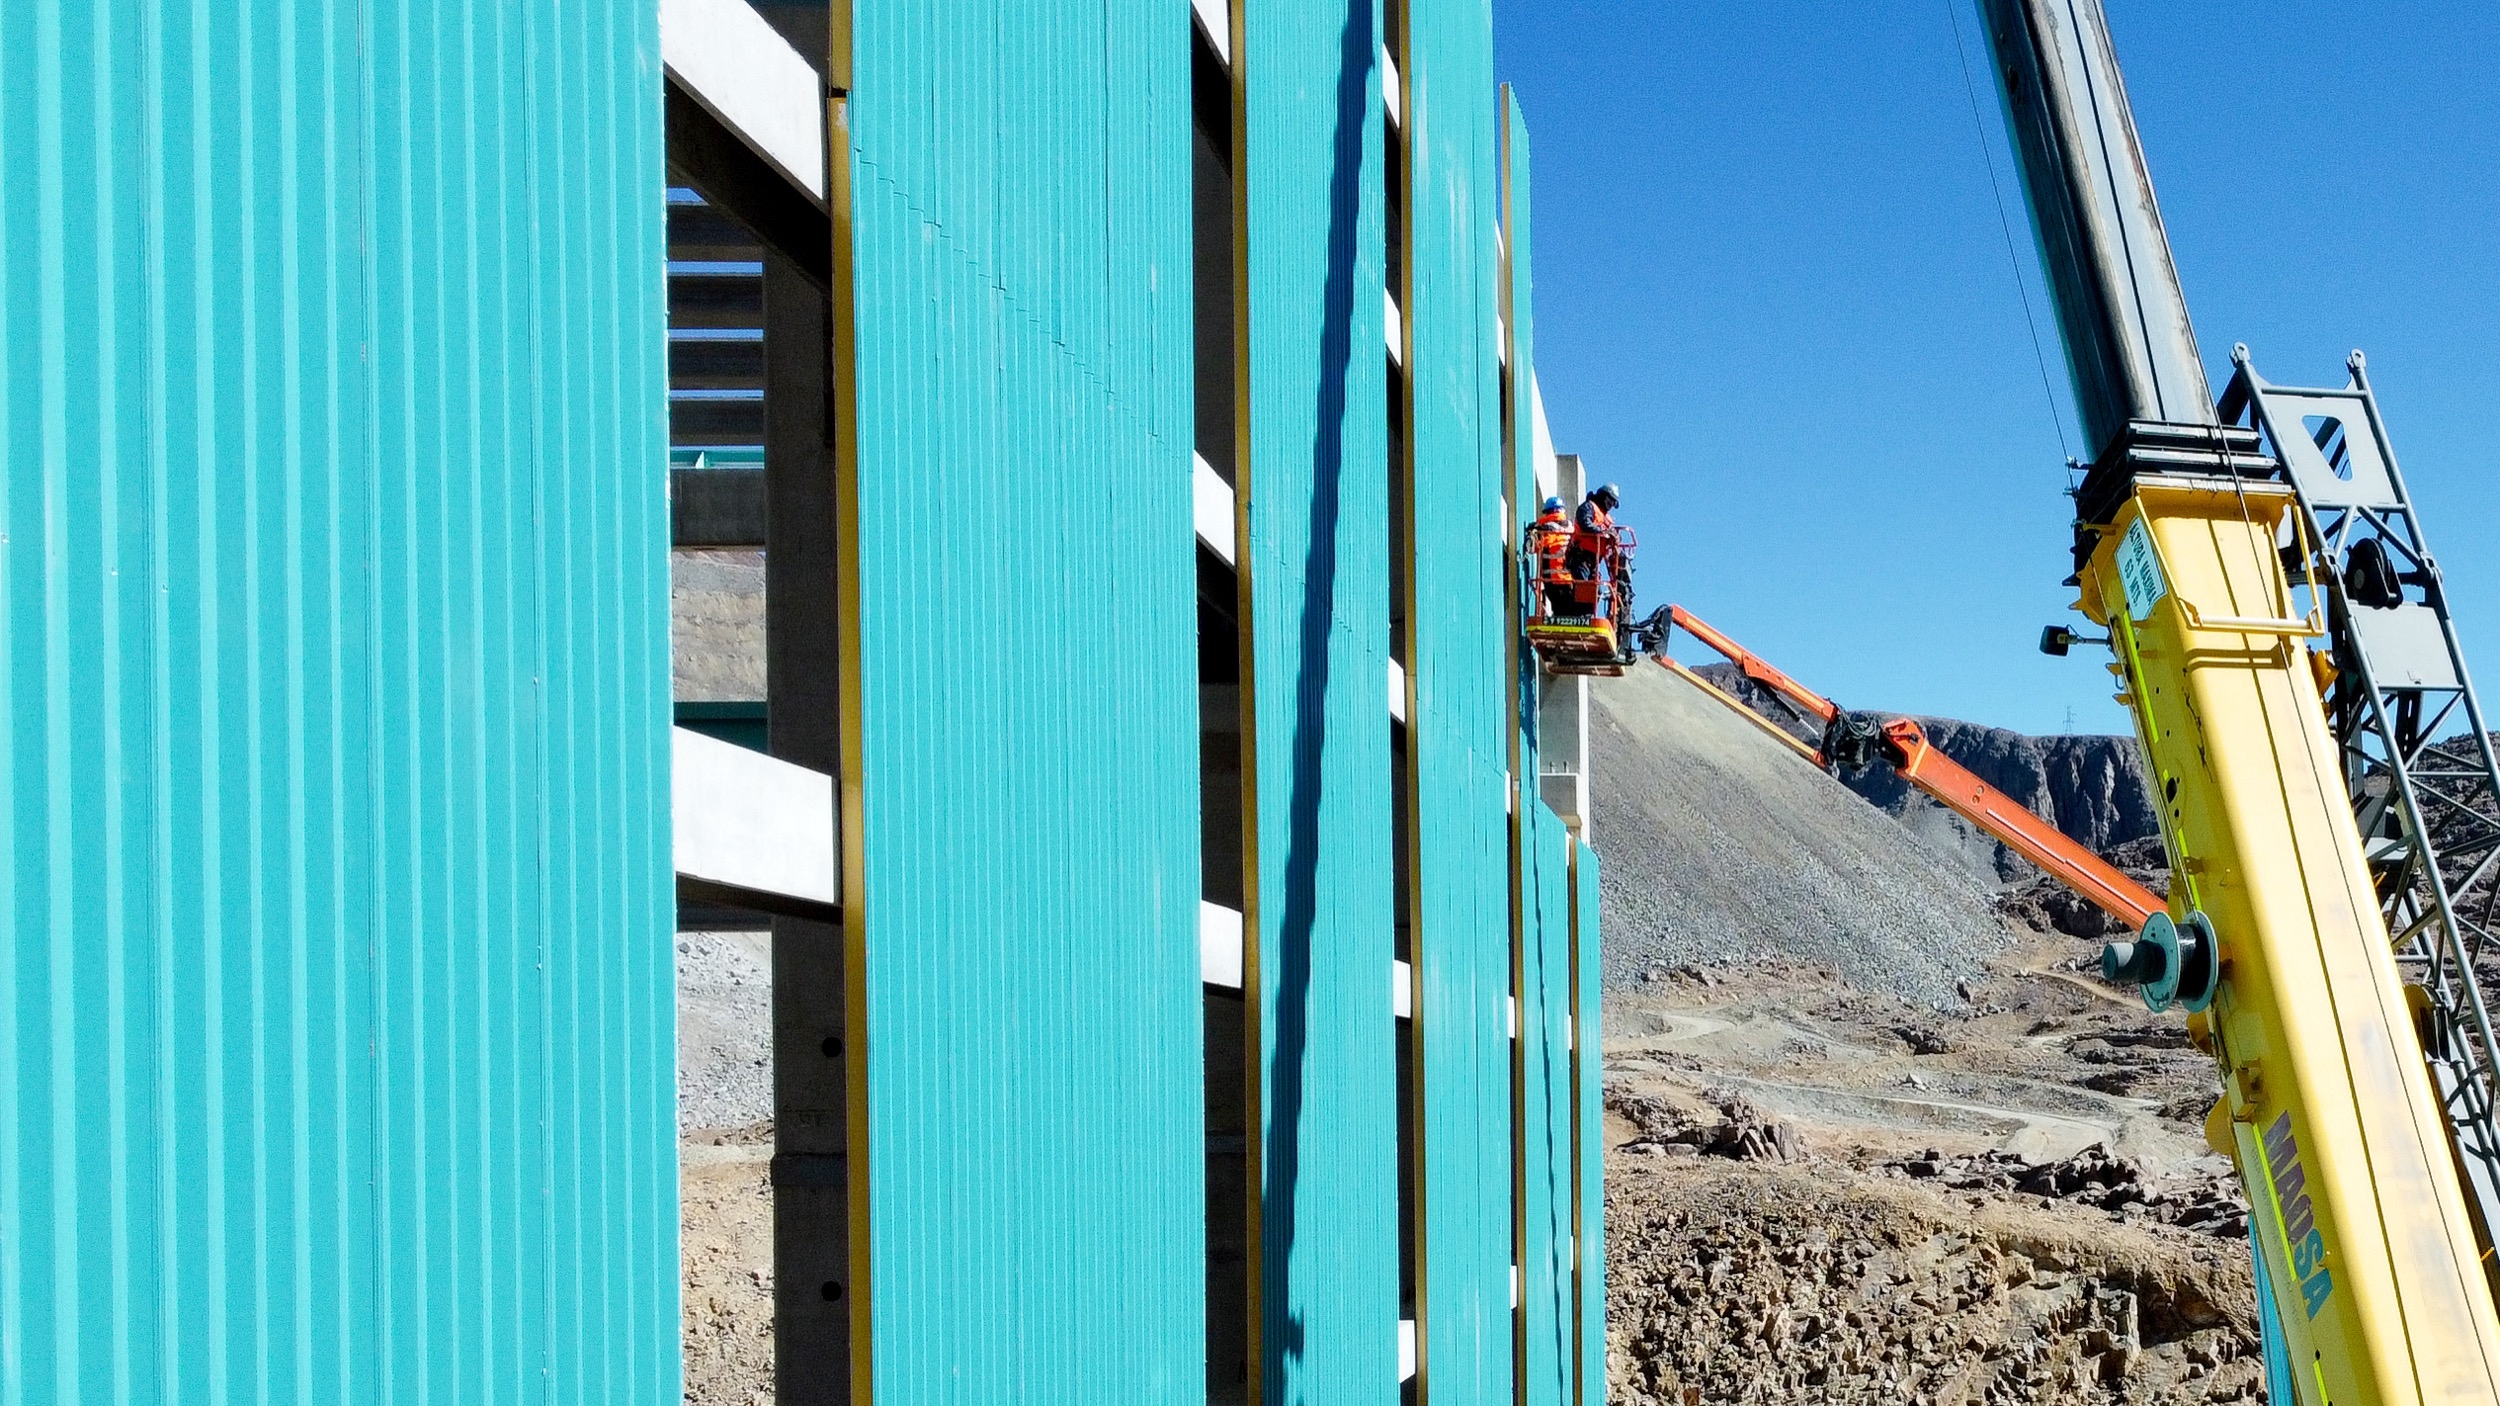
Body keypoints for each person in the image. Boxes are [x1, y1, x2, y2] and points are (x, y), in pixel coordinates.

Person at [1527, 496, 1577, 615]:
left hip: (1552, 579)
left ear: (1549, 511)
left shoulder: (1545, 529)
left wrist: (1532, 532)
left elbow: (1532, 548)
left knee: (1559, 611)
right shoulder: (1570, 528)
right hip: (1569, 578)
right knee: (1569, 612)